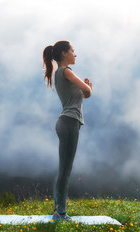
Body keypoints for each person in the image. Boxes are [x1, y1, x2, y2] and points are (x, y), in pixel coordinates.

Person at [42, 40, 92, 221]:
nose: (75, 54)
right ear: (64, 53)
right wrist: (88, 89)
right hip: (69, 123)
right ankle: (60, 213)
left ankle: (58, 211)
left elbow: (83, 95)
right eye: (73, 50)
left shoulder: (59, 74)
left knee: (64, 169)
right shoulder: (66, 71)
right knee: (65, 169)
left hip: (67, 122)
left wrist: (87, 91)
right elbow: (86, 91)